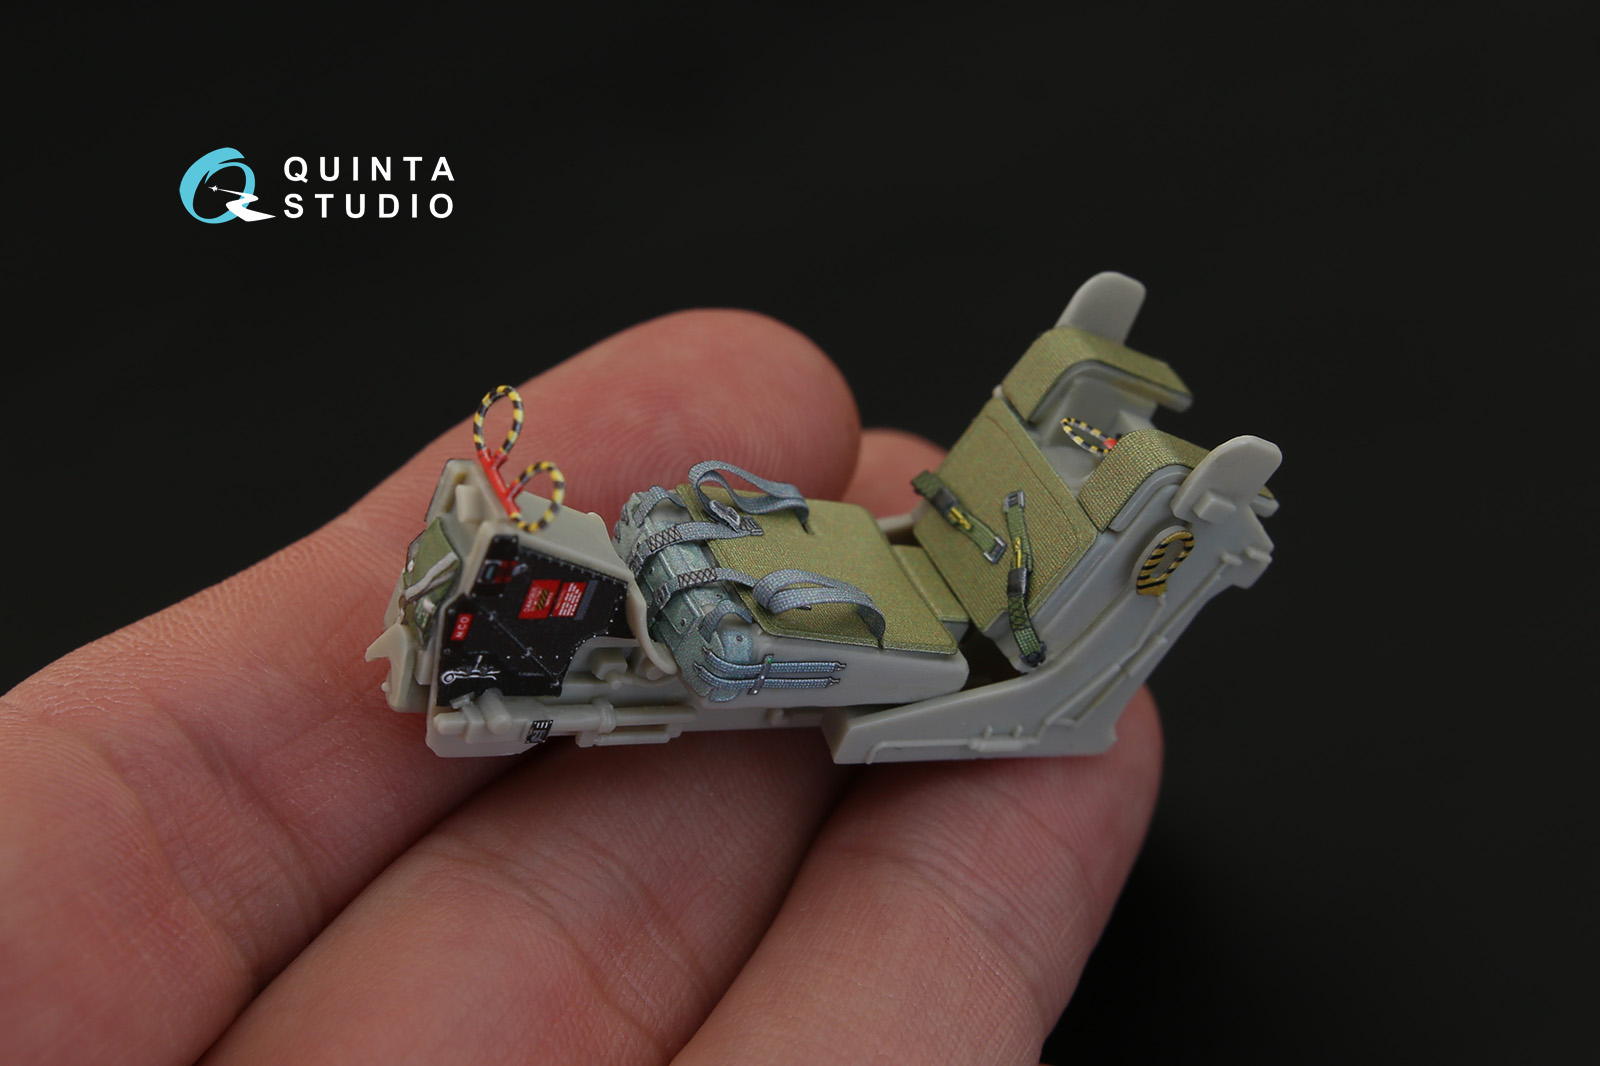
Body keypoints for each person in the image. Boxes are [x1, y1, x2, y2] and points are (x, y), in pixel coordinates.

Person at [0, 310, 1161, 1065]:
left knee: (636, 583)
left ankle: (539, 612)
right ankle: (527, 610)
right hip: (824, 590)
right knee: (624, 576)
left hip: (892, 622)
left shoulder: (987, 595)